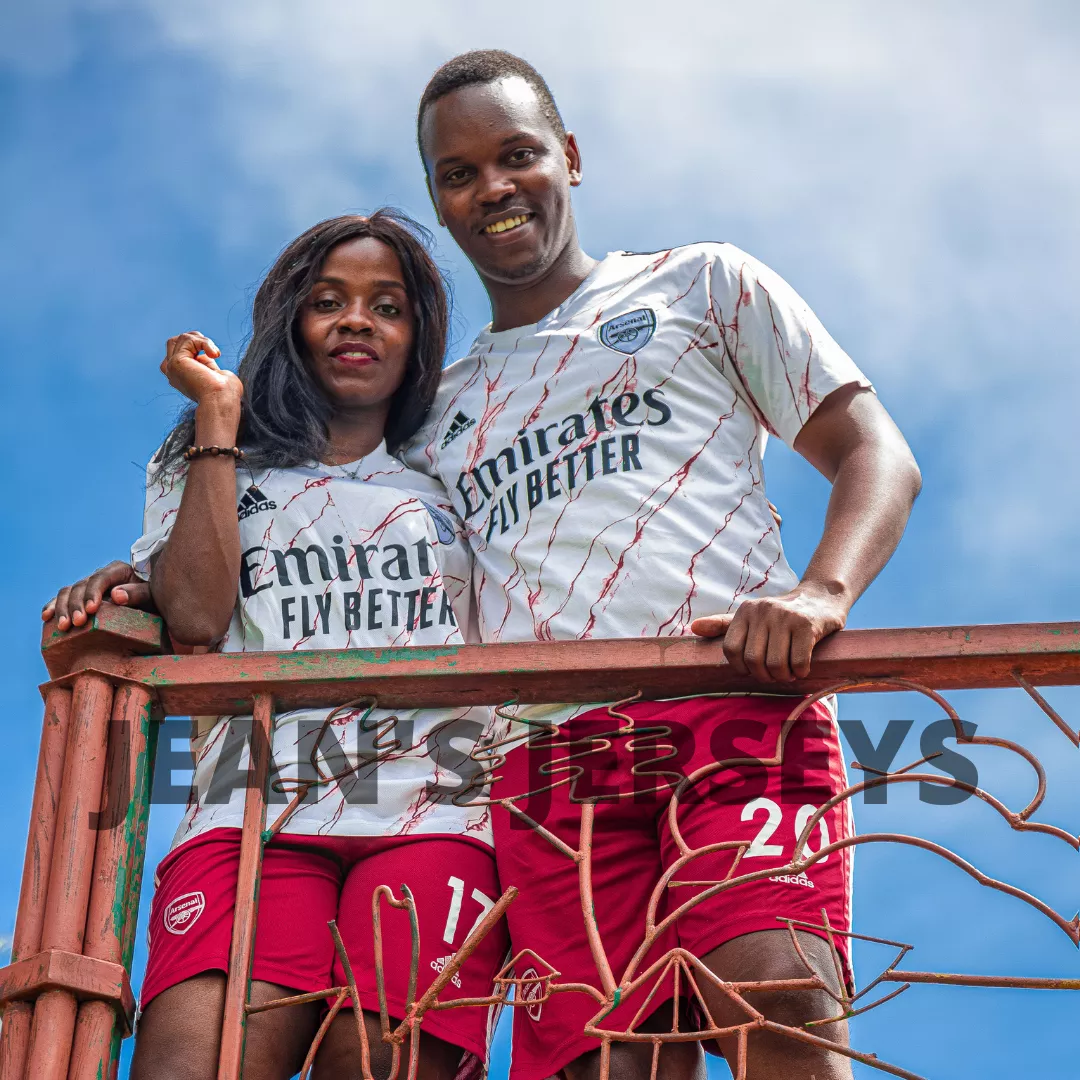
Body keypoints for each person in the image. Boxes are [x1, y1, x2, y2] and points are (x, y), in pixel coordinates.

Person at [47, 50, 923, 1080]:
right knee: (607, 1064)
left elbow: (878, 452)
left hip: (733, 700)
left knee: (774, 994)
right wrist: (141, 575)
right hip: (549, 765)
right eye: (457, 173)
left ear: (571, 157)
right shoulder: (438, 417)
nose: (492, 187)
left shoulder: (701, 284)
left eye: (516, 155)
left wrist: (820, 593)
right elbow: (308, 528)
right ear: (440, 199)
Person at [47, 211, 509, 1080]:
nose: (357, 321)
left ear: (421, 334)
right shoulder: (213, 458)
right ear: (291, 320)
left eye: (388, 305)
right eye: (328, 300)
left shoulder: (458, 466)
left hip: (439, 809)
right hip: (250, 808)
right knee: (190, 1062)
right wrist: (219, 417)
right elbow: (192, 619)